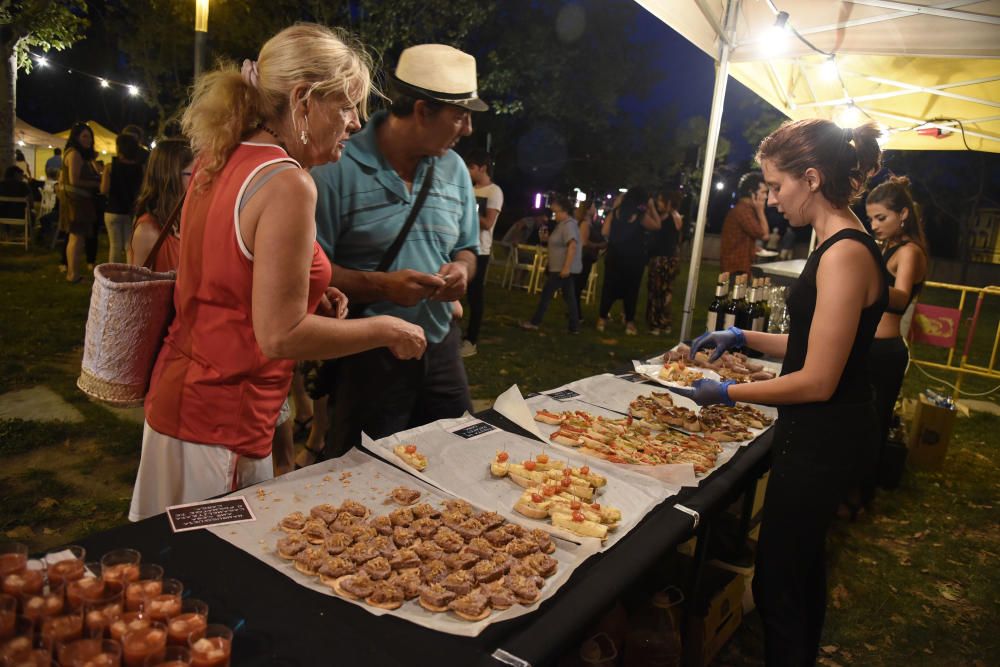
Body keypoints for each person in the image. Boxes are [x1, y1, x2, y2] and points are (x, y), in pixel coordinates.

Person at [129, 23, 426, 521]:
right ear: (304, 100)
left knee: (172, 572)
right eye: (348, 105)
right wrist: (385, 329)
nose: (356, 123)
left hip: (183, 401)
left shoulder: (219, 157)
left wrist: (313, 289)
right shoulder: (289, 183)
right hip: (223, 423)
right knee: (213, 583)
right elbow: (279, 334)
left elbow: (229, 271)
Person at [675, 119, 886, 666]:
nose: (770, 198)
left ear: (811, 178)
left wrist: (729, 392)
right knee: (801, 571)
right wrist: (744, 335)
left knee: (778, 587)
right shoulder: (836, 238)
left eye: (775, 186)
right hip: (822, 431)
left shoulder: (844, 251)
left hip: (824, 437)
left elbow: (819, 378)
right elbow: (817, 339)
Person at [311, 43, 484, 458]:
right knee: (359, 473)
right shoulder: (338, 167)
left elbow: (467, 250)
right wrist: (383, 286)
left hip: (441, 344)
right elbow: (310, 272)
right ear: (422, 110)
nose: (468, 129)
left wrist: (462, 270)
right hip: (367, 352)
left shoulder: (455, 169)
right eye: (460, 115)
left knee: (458, 458)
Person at [864, 175, 927, 502]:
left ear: (903, 214)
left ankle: (862, 495)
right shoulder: (888, 246)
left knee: (873, 425)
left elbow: (901, 298)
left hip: (886, 351)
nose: (874, 224)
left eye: (881, 218)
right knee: (860, 422)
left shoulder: (910, 251)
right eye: (871, 218)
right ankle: (853, 490)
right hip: (869, 347)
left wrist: (859, 284)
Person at [596, 186, 660, 335]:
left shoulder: (615, 213)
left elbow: (604, 231)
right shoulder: (640, 216)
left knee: (609, 287)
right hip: (634, 258)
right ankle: (629, 323)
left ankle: (602, 319)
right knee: (631, 290)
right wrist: (651, 207)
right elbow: (657, 225)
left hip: (614, 256)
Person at [461, 147, 503, 357]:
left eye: (471, 166)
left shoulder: (494, 192)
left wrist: (466, 211)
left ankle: (471, 341)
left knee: (475, 296)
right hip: (461, 247)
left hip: (480, 251)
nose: (468, 170)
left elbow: (487, 223)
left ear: (483, 168)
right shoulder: (469, 188)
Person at [128, 138, 193, 271]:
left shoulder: (189, 216)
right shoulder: (148, 230)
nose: (200, 179)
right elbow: (138, 287)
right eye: (192, 174)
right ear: (169, 176)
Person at [520, 193, 581, 333]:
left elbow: (572, 246)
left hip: (562, 269)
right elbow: (560, 244)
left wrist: (566, 268)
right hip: (562, 268)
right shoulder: (563, 225)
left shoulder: (568, 225)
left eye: (555, 212)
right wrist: (546, 240)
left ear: (564, 211)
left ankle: (535, 322)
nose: (554, 215)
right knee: (569, 297)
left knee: (547, 295)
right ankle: (574, 326)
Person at [57, 123, 101, 283]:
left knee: (76, 238)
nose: (88, 139)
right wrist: (97, 184)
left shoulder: (76, 154)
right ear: (76, 137)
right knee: (76, 238)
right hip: (76, 203)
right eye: (84, 136)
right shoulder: (74, 154)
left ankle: (73, 272)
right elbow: (74, 180)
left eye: (89, 136)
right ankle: (73, 274)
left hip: (78, 201)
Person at [101, 132, 145, 264]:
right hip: (130, 211)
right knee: (128, 246)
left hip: (112, 210)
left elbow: (103, 190)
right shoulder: (140, 168)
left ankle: (112, 278)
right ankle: (129, 277)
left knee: (114, 245)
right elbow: (142, 190)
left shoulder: (110, 167)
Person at [645, 190, 683, 335]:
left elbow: (656, 230)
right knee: (666, 292)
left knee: (656, 291)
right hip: (672, 259)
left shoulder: (666, 217)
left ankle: (655, 324)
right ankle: (665, 322)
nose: (658, 203)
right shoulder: (677, 217)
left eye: (661, 201)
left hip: (660, 259)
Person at [720, 171, 769, 275]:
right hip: (736, 269)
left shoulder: (745, 210)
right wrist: (761, 211)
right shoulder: (743, 211)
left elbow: (738, 239)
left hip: (737, 267)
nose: (766, 197)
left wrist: (753, 248)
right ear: (752, 193)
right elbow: (764, 235)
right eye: (763, 192)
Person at [574, 200, 605, 319]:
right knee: (578, 286)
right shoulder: (586, 224)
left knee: (577, 286)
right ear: (587, 210)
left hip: (585, 257)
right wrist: (600, 245)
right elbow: (584, 242)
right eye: (592, 207)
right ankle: (577, 314)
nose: (595, 209)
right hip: (583, 258)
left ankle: (574, 312)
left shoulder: (588, 223)